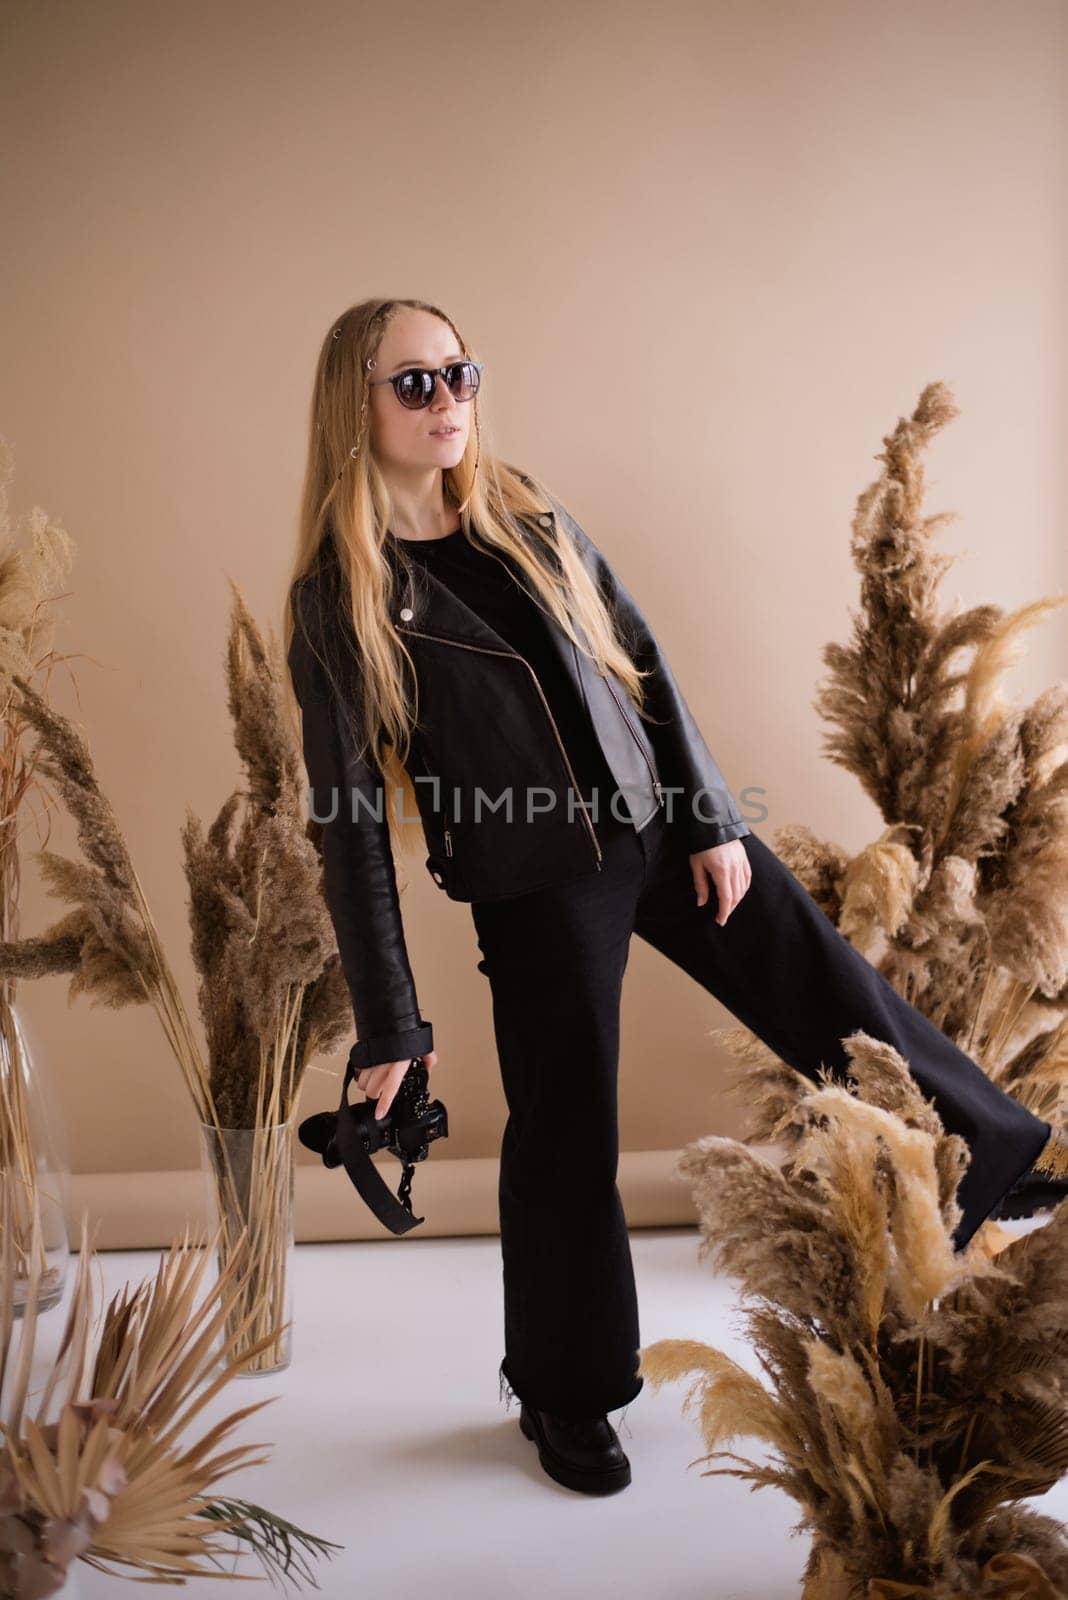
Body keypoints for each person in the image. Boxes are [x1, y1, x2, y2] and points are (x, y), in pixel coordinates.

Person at [284, 297, 1064, 1497]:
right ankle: (564, 1388)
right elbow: (347, 833)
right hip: (536, 883)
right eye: (417, 384)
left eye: (460, 373)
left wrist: (707, 814)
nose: (451, 402)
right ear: (357, 409)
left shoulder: (526, 521)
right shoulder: (341, 600)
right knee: (567, 1129)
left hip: (659, 829)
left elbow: (639, 659)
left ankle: (992, 1151)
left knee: (825, 984)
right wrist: (393, 1024)